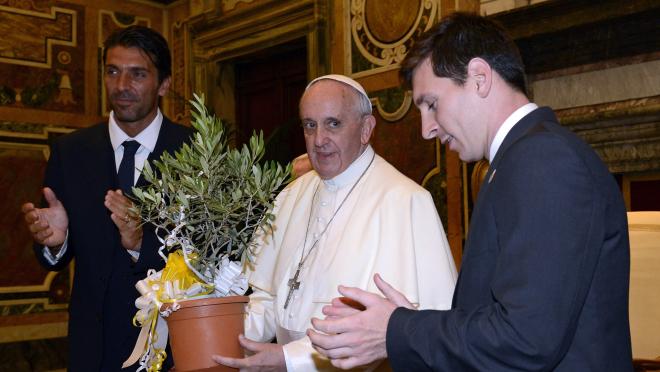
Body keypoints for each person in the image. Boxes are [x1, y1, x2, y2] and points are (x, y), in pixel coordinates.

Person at [308, 12, 633, 371]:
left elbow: (526, 339)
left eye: (431, 104)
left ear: (479, 78)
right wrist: (404, 324)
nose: (426, 130)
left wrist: (396, 329)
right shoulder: (517, 161)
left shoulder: (543, 160)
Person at [212, 74, 457, 371]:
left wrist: (290, 360)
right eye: (310, 125)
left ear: (366, 128)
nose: (319, 140)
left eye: (333, 124)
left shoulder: (405, 200)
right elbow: (266, 296)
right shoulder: (290, 196)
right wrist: (223, 343)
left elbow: (388, 330)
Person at [21, 26, 191, 371]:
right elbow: (54, 257)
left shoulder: (195, 152)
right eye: (113, 71)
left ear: (164, 84)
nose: (121, 85)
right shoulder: (70, 151)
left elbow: (213, 261)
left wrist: (142, 243)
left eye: (137, 74)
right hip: (91, 348)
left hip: (170, 349)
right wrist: (56, 242)